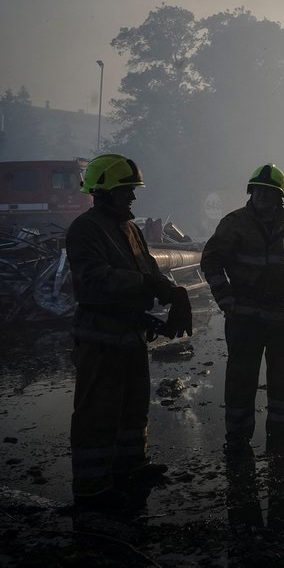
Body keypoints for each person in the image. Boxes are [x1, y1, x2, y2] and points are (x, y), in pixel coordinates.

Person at [67, 154, 191, 512]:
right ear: (104, 190)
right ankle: (91, 487)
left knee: (133, 407)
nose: (133, 198)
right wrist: (151, 284)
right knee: (97, 413)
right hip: (101, 337)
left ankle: (131, 466)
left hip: (130, 334)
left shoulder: (130, 229)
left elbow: (149, 270)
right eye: (127, 190)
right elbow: (94, 281)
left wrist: (170, 293)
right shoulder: (86, 229)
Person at [201, 163, 284, 453]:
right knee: (242, 378)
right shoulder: (234, 223)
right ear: (251, 192)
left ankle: (280, 429)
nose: (263, 196)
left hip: (280, 317)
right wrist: (225, 299)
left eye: (270, 192)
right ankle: (238, 438)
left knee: (282, 376)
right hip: (246, 317)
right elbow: (211, 261)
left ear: (280, 197)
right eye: (259, 191)